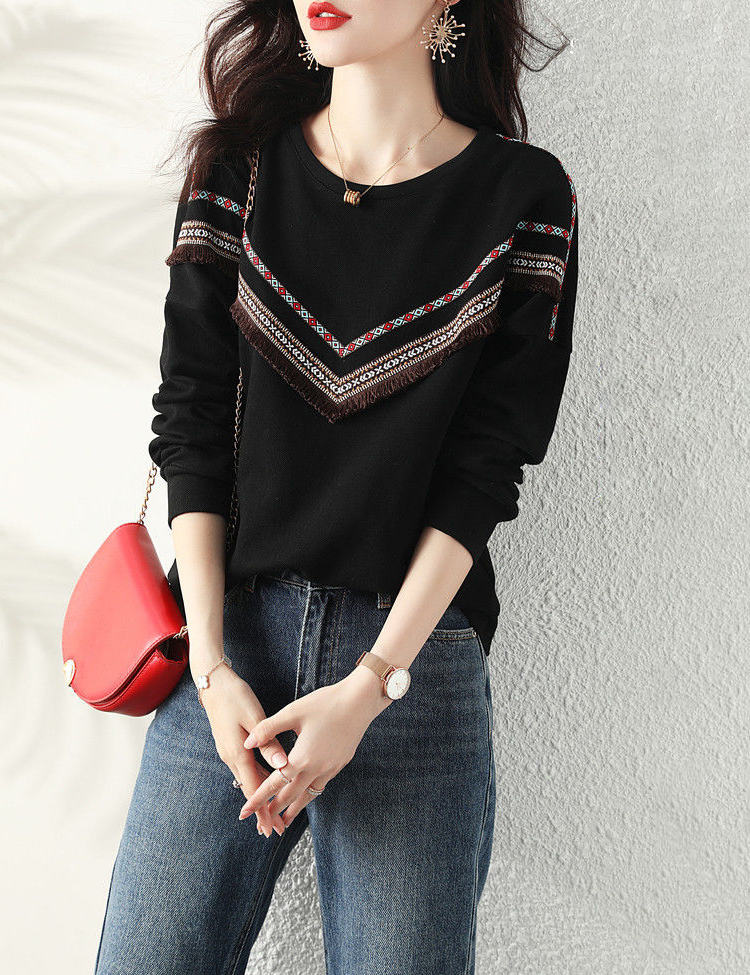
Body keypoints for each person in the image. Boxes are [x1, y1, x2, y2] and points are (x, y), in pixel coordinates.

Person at [94, 2, 579, 972]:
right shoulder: (236, 172)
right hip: (228, 650)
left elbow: (487, 468)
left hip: (409, 671)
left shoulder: (524, 197)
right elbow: (190, 424)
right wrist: (211, 668)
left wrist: (370, 685)